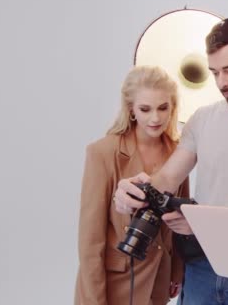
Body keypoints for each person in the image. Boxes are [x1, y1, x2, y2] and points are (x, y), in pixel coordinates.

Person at [113, 16, 228, 304]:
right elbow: (166, 179)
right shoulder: (203, 119)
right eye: (214, 72)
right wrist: (133, 189)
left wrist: (203, 223)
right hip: (199, 266)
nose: (221, 82)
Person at [74, 65, 189, 305]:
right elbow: (90, 240)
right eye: (145, 109)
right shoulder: (103, 153)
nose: (155, 118)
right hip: (114, 283)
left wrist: (177, 271)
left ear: (173, 107)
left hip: (159, 282)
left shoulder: (179, 153)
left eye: (163, 108)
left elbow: (179, 221)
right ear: (131, 110)